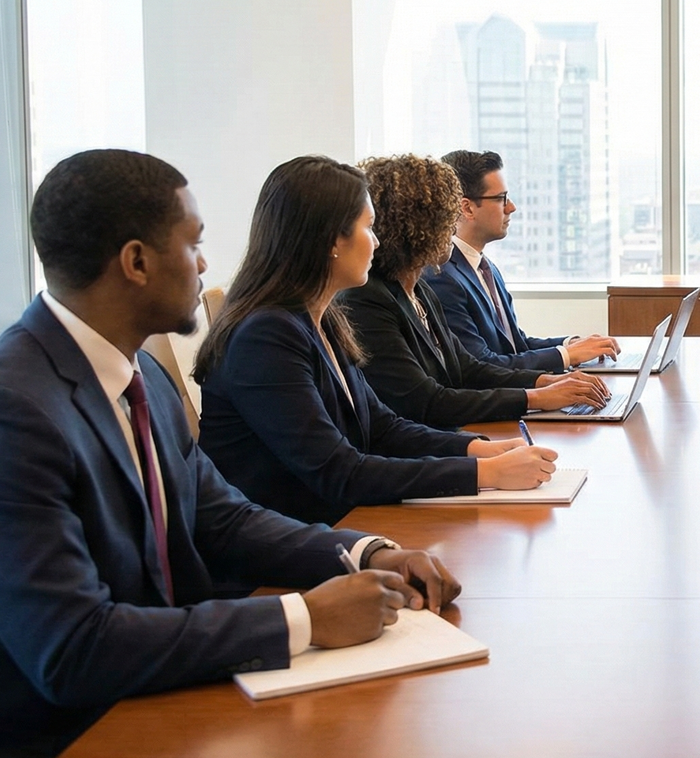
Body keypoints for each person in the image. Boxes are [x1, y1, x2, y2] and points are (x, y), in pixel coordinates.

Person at [0, 149, 463, 758]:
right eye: (192, 242)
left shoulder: (138, 378)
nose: (205, 263)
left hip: (139, 715)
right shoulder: (2, 414)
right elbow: (74, 649)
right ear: (135, 261)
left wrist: (364, 552)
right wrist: (304, 619)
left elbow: (222, 517)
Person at [196, 155, 559, 525]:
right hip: (297, 541)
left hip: (338, 521)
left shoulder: (323, 318)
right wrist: (487, 474)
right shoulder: (266, 336)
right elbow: (341, 472)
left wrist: (478, 450)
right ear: (330, 239)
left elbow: (383, 428)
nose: (377, 240)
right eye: (368, 228)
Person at [339, 154, 610, 427]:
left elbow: (467, 368)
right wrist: (535, 398)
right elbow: (425, 401)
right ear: (417, 227)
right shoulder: (368, 298)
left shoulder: (419, 289)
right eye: (446, 217)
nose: (452, 227)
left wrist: (548, 381)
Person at [423, 149, 620, 372]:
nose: (511, 207)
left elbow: (515, 346)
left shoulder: (486, 268)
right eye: (501, 199)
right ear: (467, 208)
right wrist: (565, 356)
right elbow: (481, 365)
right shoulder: (442, 277)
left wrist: (570, 345)